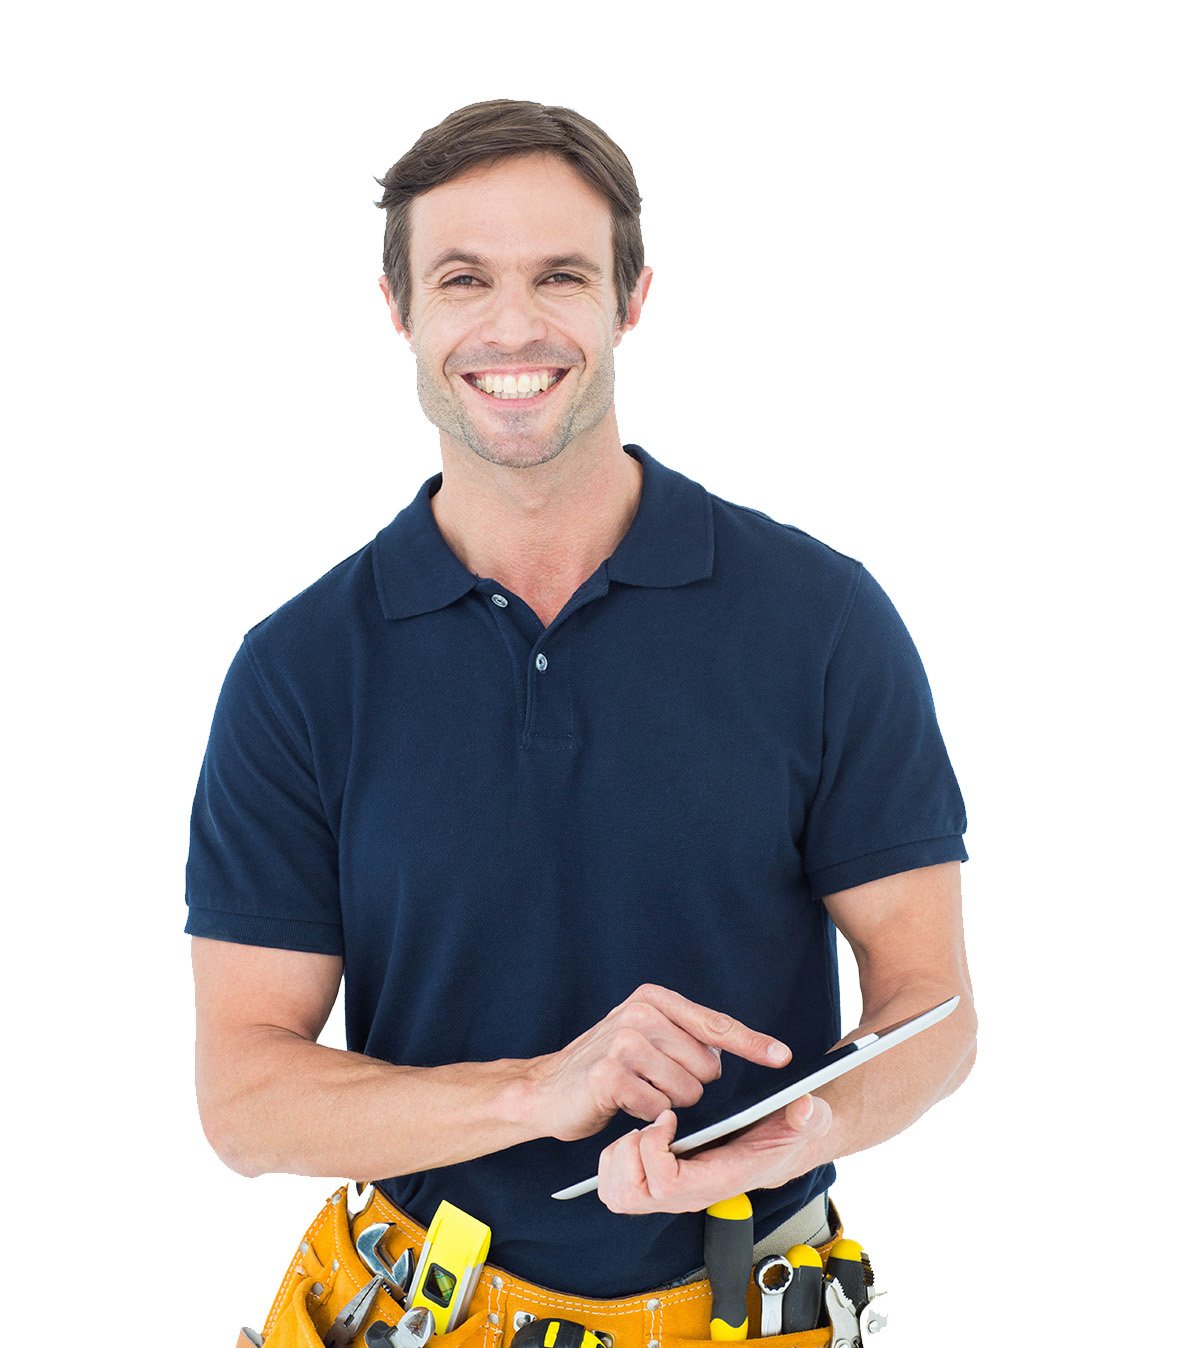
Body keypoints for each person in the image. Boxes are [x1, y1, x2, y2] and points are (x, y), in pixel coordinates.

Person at [186, 99, 976, 1342]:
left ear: (630, 299)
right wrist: (534, 1093)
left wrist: (807, 1126)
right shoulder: (299, 671)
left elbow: (933, 1005)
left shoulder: (819, 619)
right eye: (463, 279)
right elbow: (244, 1096)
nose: (513, 327)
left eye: (560, 275)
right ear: (400, 309)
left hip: (751, 1306)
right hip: (424, 1311)